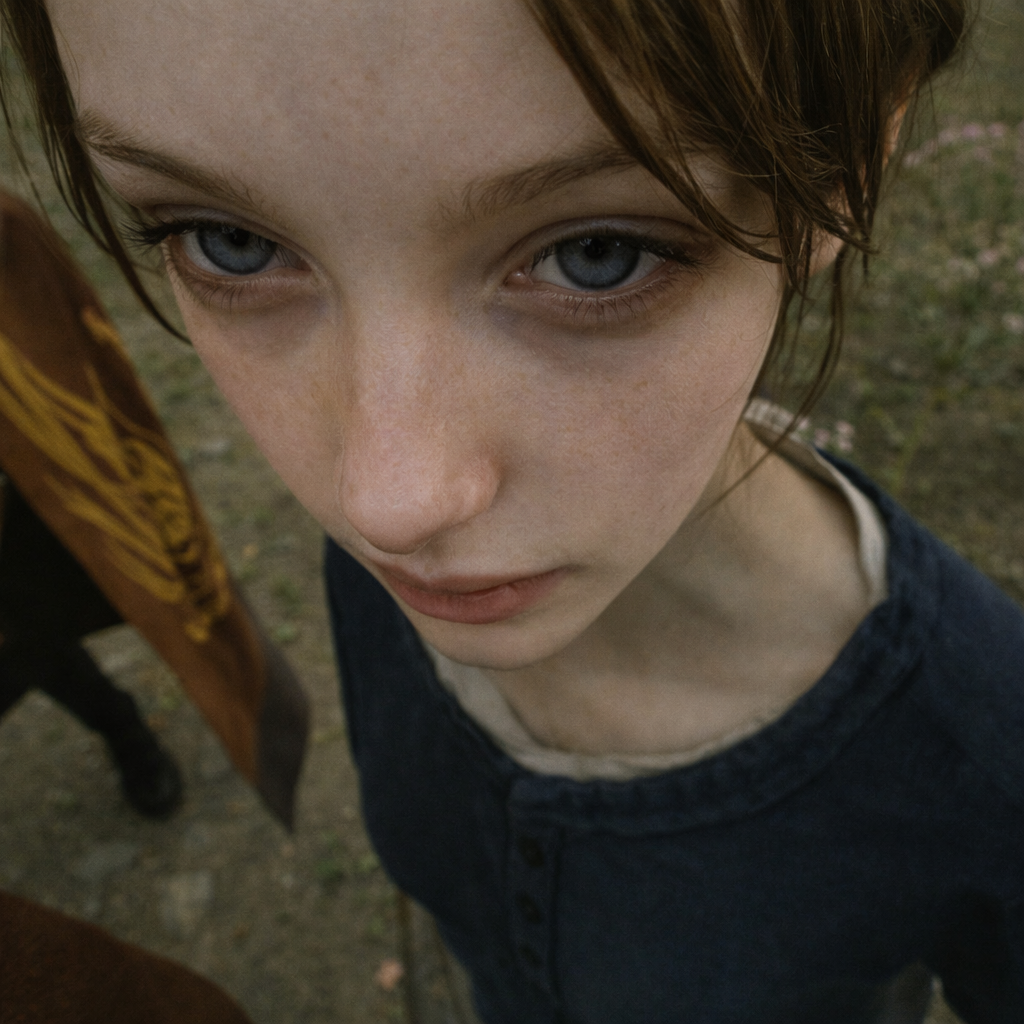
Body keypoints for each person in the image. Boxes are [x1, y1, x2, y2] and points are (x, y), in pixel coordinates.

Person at [6, 1, 1017, 1022]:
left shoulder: (986, 755)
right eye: (227, 242)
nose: (385, 506)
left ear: (849, 164)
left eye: (597, 253)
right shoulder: (395, 581)